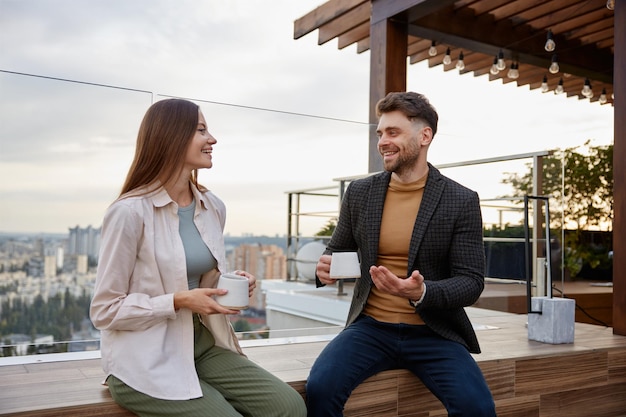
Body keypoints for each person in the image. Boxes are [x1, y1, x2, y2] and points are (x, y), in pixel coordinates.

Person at [90, 98, 306, 417]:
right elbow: (104, 311)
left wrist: (233, 282)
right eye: (201, 130)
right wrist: (178, 301)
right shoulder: (129, 213)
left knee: (290, 407)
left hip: (201, 346)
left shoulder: (212, 206)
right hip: (144, 360)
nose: (212, 139)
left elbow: (195, 274)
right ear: (171, 137)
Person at [305, 92, 497, 417]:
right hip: (370, 327)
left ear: (425, 136)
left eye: (392, 132)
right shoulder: (360, 193)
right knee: (320, 390)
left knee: (477, 408)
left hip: (433, 331)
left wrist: (422, 291)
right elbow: (336, 250)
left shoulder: (460, 199)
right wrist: (324, 269)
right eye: (380, 133)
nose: (382, 141)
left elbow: (471, 282)